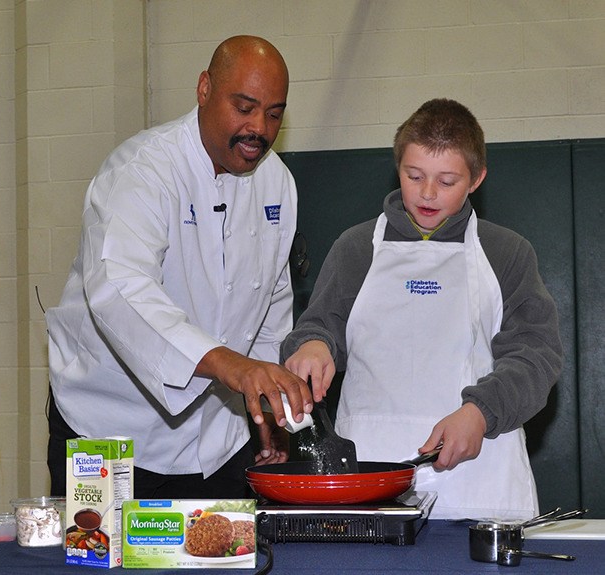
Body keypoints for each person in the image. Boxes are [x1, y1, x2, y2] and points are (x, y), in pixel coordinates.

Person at [46, 35, 313, 500]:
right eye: (244, 107)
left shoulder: (278, 185)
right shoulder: (144, 170)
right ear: (204, 88)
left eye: (274, 113)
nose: (259, 129)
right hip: (108, 430)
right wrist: (232, 365)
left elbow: (272, 303)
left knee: (223, 560)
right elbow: (121, 288)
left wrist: (269, 410)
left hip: (218, 438)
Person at [282, 99, 563, 520]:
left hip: (479, 483)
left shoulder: (507, 253)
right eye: (414, 176)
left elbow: (537, 356)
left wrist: (481, 412)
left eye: (447, 181)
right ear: (398, 169)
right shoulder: (356, 248)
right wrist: (314, 346)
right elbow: (320, 325)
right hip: (369, 485)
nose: (428, 193)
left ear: (476, 179)